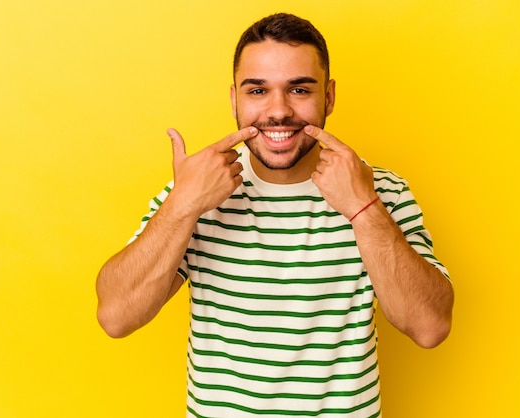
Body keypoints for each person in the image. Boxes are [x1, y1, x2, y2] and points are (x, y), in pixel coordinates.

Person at [96, 12, 454, 417]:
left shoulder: (379, 190)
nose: (278, 111)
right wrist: (183, 205)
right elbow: (116, 317)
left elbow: (430, 328)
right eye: (258, 91)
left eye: (299, 89)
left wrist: (362, 208)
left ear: (329, 97)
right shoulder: (194, 193)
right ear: (235, 99)